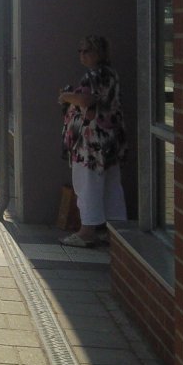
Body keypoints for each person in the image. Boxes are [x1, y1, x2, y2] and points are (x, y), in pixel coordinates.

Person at [58, 35, 127, 247]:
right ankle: (115, 230)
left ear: (98, 52)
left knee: (87, 184)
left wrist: (65, 96)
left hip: (91, 141)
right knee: (111, 184)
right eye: (80, 51)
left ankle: (87, 230)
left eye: (87, 51)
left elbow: (86, 100)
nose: (82, 55)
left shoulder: (93, 75)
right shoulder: (110, 73)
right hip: (111, 138)